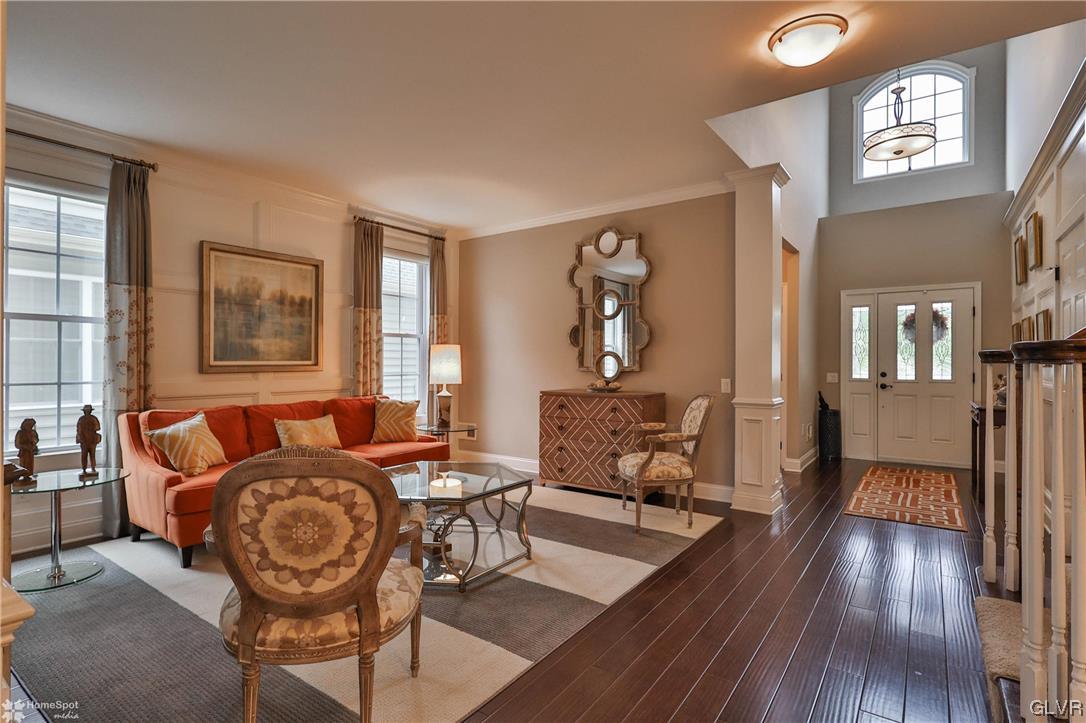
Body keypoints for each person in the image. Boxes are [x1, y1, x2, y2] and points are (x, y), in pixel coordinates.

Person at [76, 405, 102, 475]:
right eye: (86, 411)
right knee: (84, 455)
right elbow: (79, 430)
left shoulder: (93, 419)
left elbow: (98, 428)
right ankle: (84, 469)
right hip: (84, 441)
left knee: (92, 455)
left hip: (92, 440)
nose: (87, 412)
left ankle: (93, 468)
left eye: (88, 411)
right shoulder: (81, 419)